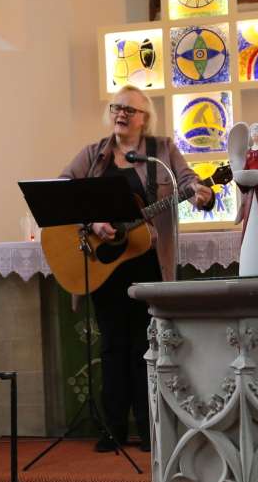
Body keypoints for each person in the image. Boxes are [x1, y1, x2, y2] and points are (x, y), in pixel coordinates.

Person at [60, 87, 214, 452]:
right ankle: (112, 429)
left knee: (147, 346)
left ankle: (150, 431)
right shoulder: (93, 155)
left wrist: (199, 191)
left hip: (148, 263)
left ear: (145, 118)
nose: (122, 114)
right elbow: (62, 192)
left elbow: (187, 179)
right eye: (117, 107)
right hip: (105, 265)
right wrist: (95, 223)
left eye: (130, 109)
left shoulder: (162, 151)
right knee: (113, 346)